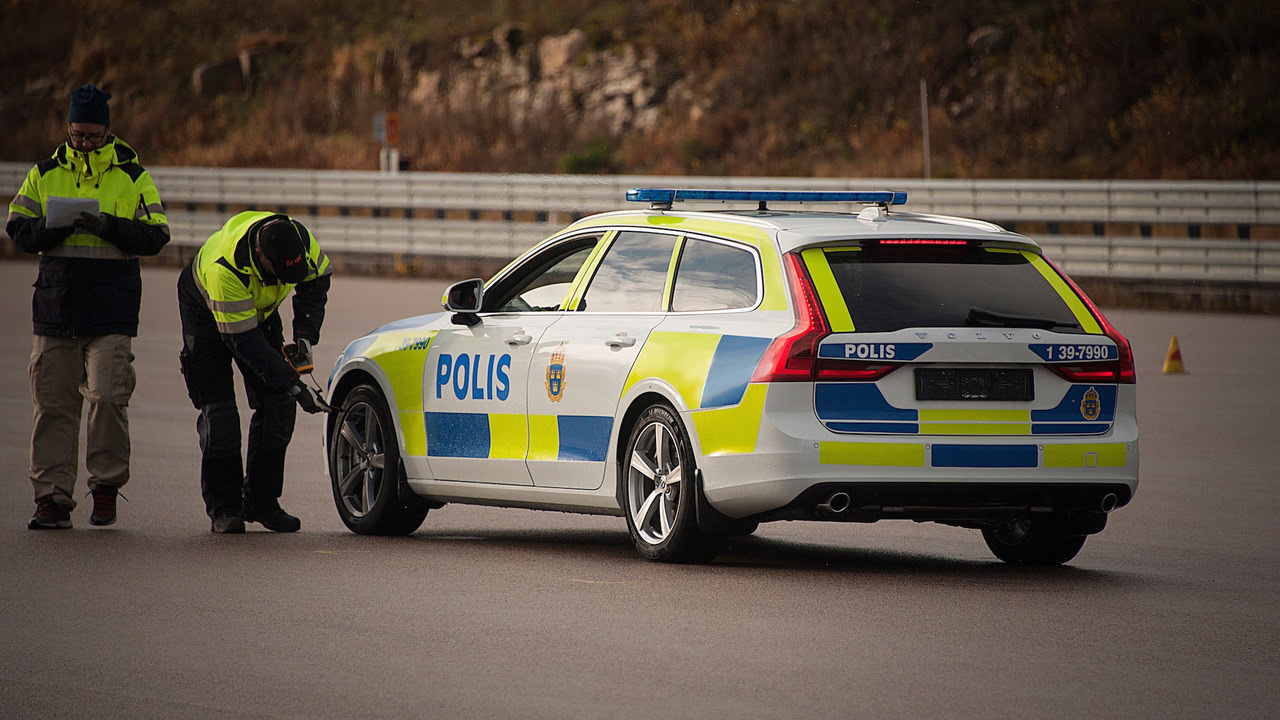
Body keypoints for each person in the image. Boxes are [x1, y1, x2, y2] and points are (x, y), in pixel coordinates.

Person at [6, 84, 170, 529]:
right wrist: (52, 229)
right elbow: (18, 230)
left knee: (109, 399)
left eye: (93, 136)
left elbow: (157, 235)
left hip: (112, 310)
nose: (84, 143)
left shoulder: (134, 176)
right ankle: (52, 499)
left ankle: (105, 488)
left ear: (109, 131)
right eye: (77, 134)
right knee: (53, 407)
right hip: (56, 308)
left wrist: (109, 226)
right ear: (68, 129)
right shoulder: (44, 173)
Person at [177, 210, 332, 533]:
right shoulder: (226, 269)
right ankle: (225, 508)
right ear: (260, 257)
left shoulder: (300, 242)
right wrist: (295, 385)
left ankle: (261, 501)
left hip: (259, 313)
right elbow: (246, 345)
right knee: (220, 417)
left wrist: (304, 337)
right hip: (208, 316)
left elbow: (316, 283)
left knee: (279, 406)